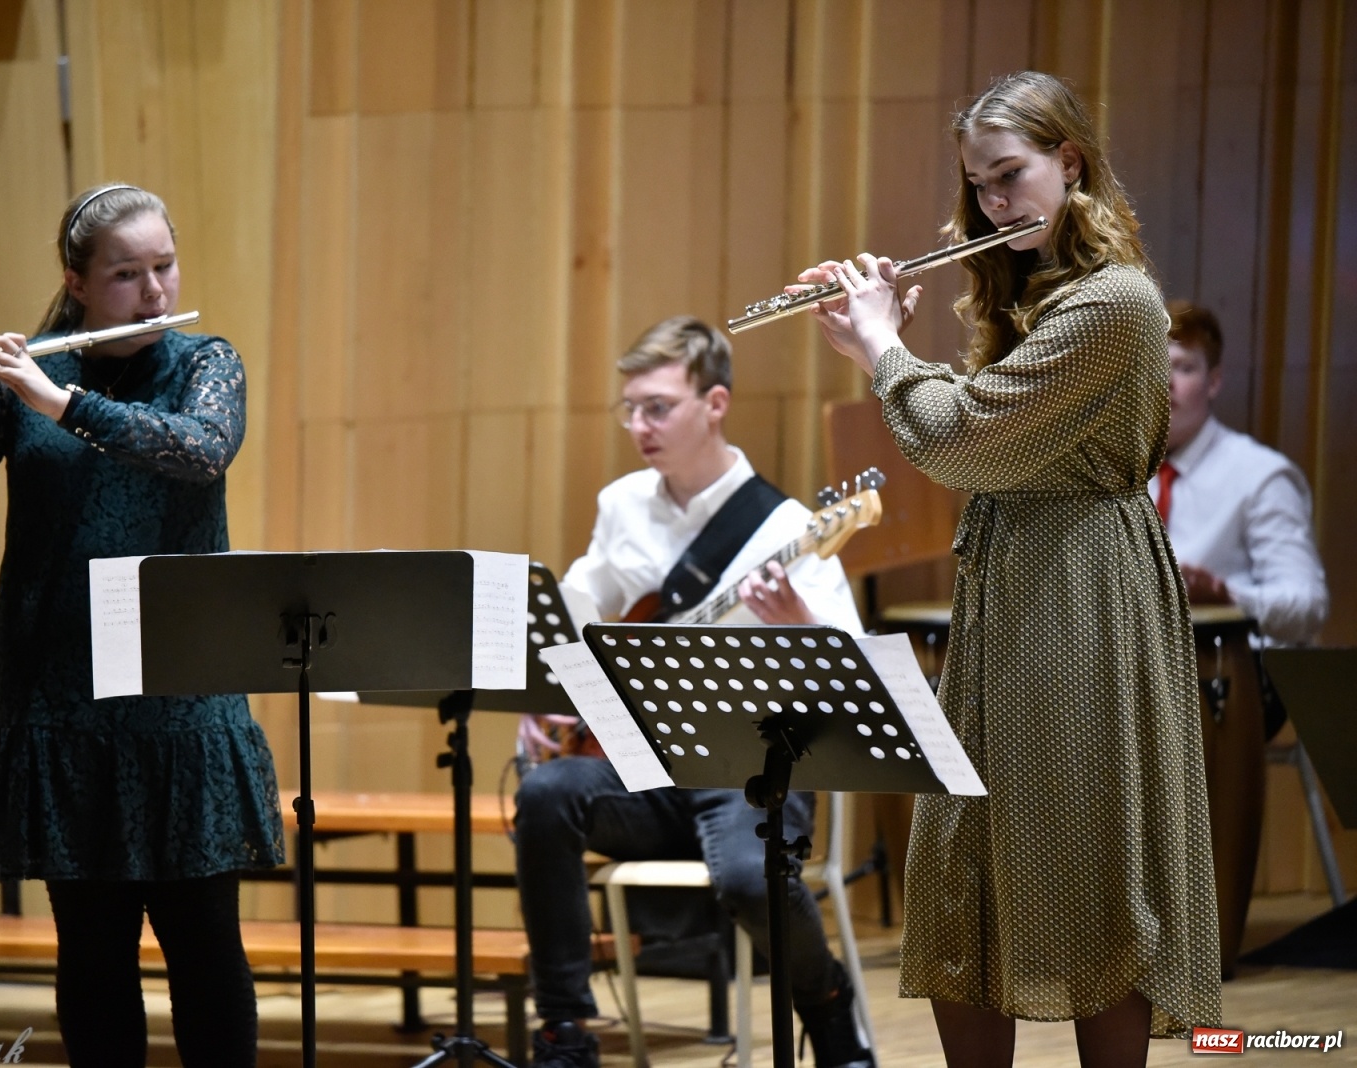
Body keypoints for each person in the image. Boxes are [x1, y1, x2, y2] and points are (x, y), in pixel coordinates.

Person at [800, 71, 1221, 1066]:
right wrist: (887, 339)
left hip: (1083, 591)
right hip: (1013, 585)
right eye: (978, 187)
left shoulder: (1115, 304)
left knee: (1087, 860)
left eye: (1010, 176)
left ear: (1068, 162)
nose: (994, 204)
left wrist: (880, 348)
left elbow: (965, 439)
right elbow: (986, 428)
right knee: (962, 858)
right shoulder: (1043, 295)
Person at [0, 183, 283, 1068]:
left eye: (164, 266)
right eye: (127, 274)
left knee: (206, 952)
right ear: (78, 283)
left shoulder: (208, 362)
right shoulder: (18, 377)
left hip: (179, 703)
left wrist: (62, 404)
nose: (155, 290)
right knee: (91, 958)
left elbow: (200, 450)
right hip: (61, 700)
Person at [514, 316, 874, 1068]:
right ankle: (566, 1030)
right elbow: (574, 609)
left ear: (715, 404)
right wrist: (549, 690)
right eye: (631, 408)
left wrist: (799, 619)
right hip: (647, 778)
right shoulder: (622, 506)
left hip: (749, 776)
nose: (639, 425)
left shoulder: (787, 525)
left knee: (749, 877)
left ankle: (829, 1009)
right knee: (546, 793)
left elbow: (853, 670)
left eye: (658, 407)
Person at [1152, 299, 1327, 668]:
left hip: (1221, 683)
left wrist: (1228, 597)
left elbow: (1308, 604)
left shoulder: (1260, 476)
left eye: (1184, 368)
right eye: (1156, 367)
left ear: (1213, 381)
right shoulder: (1116, 473)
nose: (1166, 382)